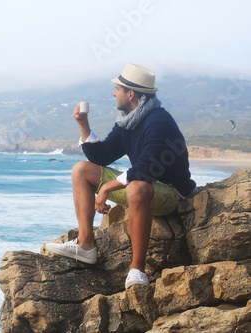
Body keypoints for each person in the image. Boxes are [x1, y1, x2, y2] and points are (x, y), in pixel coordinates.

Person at [46, 63, 197, 289]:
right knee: (81, 169)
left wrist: (106, 188)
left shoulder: (158, 121)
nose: (114, 94)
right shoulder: (128, 120)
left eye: (117, 89)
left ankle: (137, 270)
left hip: (170, 193)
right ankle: (86, 245)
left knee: (136, 187)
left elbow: (147, 169)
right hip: (142, 185)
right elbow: (102, 155)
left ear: (131, 94)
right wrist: (83, 124)